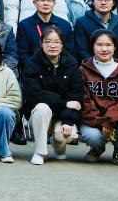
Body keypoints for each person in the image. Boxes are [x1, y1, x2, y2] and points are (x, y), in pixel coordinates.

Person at [21, 26, 82, 165]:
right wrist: (64, 103)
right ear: (41, 43)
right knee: (42, 107)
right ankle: (40, 152)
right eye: (48, 41)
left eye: (56, 42)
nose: (52, 45)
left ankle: (59, 146)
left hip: (62, 114)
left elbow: (75, 95)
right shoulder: (31, 63)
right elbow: (34, 94)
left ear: (62, 44)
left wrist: (67, 120)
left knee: (63, 136)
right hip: (40, 114)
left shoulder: (71, 64)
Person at [79, 30, 118, 167]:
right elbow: (85, 100)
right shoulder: (83, 70)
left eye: (108, 45)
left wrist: (109, 121)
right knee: (92, 136)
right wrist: (101, 122)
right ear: (92, 47)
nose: (104, 49)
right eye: (99, 45)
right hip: (93, 118)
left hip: (117, 118)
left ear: (115, 47)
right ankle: (97, 149)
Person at [16, 0, 75, 68]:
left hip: (60, 70)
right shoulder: (24, 25)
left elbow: (70, 52)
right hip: (34, 70)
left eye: (49, 0)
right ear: (35, 3)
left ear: (54, 3)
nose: (46, 3)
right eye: (42, 0)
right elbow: (23, 54)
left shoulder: (64, 25)